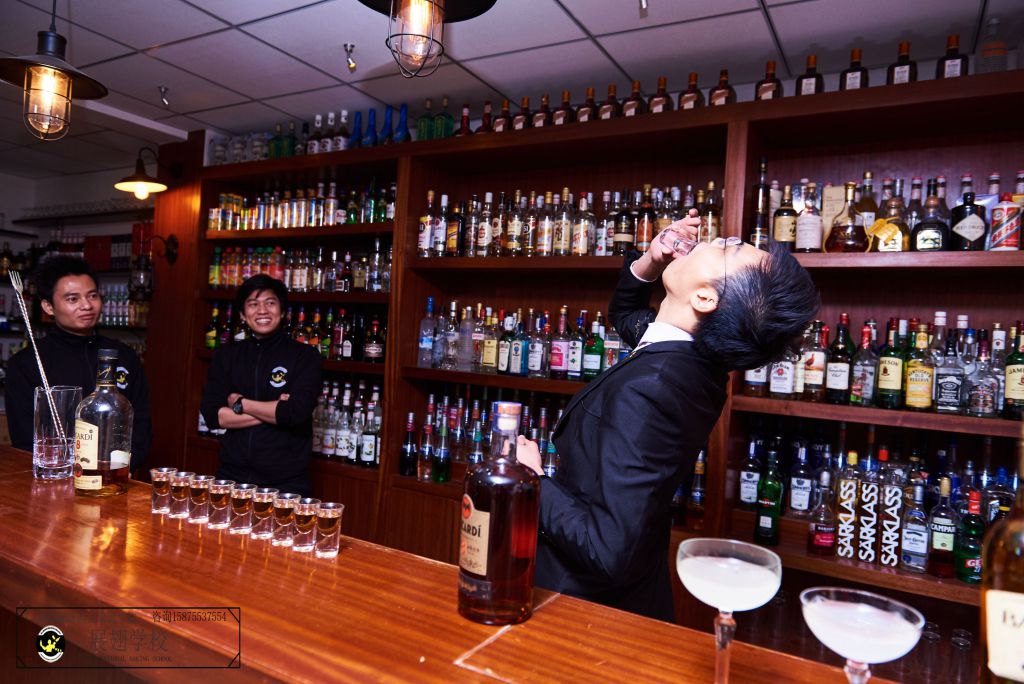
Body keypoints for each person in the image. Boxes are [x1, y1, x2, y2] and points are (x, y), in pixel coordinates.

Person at [516, 215, 819, 621]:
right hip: (622, 595)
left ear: (705, 298)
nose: (714, 239)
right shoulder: (690, 355)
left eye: (727, 248)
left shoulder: (653, 387)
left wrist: (533, 480)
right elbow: (625, 313)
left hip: (582, 610)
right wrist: (650, 262)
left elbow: (607, 551)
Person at [7, 256, 153, 471]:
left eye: (92, 295)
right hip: (56, 477)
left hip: (116, 476)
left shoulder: (123, 356)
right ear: (48, 306)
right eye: (72, 299)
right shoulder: (26, 363)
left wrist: (121, 468)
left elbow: (140, 425)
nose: (87, 305)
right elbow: (24, 439)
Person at [200, 275, 322, 495]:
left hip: (287, 483)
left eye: (270, 303)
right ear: (242, 314)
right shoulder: (227, 356)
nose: (262, 311)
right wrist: (274, 409)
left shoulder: (305, 356)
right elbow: (213, 416)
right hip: (231, 478)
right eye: (253, 304)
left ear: (283, 312)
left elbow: (295, 413)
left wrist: (240, 403)